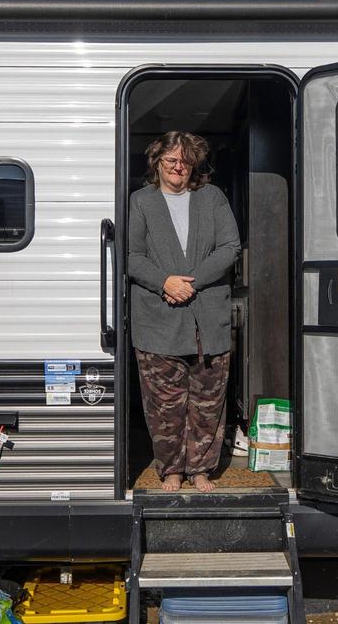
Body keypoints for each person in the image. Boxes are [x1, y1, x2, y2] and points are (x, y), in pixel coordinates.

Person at [128, 131, 240, 492]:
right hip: (158, 323)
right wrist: (164, 282)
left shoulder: (212, 198)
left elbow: (229, 247)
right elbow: (132, 256)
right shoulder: (141, 201)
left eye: (185, 161)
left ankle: (201, 469)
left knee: (207, 403)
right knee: (164, 405)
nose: (178, 167)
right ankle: (171, 468)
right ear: (157, 163)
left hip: (208, 320)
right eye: (171, 160)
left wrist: (190, 283)